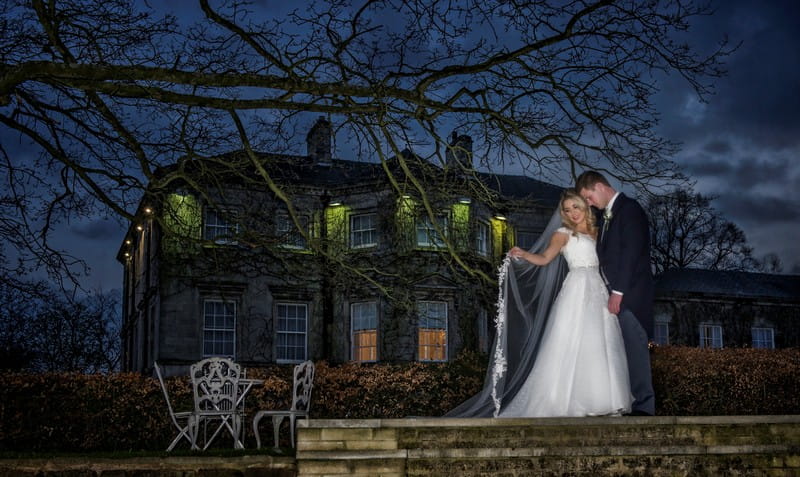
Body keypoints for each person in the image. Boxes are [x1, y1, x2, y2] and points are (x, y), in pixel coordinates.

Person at [447, 188, 632, 418]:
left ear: (585, 206)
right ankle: (564, 402)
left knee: (599, 342)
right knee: (570, 342)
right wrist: (524, 255)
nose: (572, 213)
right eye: (567, 209)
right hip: (576, 290)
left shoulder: (599, 232)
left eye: (575, 207)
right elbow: (544, 259)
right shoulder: (563, 234)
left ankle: (601, 400)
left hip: (599, 289)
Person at [576, 171, 655, 416]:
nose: (589, 203)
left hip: (631, 295)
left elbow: (631, 252)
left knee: (635, 349)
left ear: (600, 187)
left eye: (589, 197)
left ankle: (644, 408)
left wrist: (617, 292)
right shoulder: (608, 215)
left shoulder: (629, 209)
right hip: (617, 293)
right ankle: (633, 403)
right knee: (623, 352)